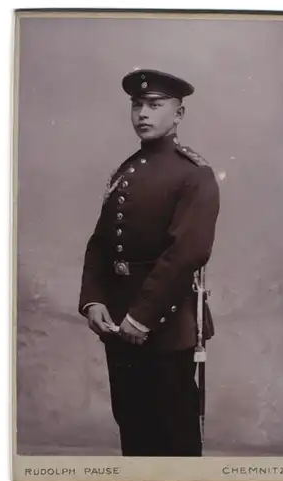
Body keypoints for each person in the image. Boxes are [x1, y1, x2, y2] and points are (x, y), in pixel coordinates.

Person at [79, 68, 220, 457]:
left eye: (155, 105)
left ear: (178, 114)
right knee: (134, 430)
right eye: (137, 105)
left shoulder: (194, 174)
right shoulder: (126, 171)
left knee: (172, 435)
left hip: (163, 323)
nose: (143, 113)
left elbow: (186, 253)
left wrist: (141, 317)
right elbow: (100, 245)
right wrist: (93, 301)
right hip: (117, 322)